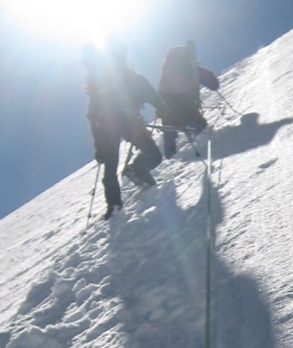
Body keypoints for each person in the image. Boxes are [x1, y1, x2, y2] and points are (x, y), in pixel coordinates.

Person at [82, 37, 168, 218]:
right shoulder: (129, 77)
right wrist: (164, 110)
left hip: (106, 127)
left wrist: (99, 147)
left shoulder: (97, 86)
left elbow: (93, 117)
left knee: (110, 165)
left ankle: (114, 206)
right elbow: (149, 93)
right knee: (153, 155)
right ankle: (137, 170)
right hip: (129, 120)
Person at [157, 40, 220, 158]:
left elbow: (160, 92)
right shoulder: (193, 70)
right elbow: (214, 85)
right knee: (200, 125)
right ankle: (199, 146)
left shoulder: (168, 69)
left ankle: (168, 156)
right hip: (186, 106)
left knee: (169, 128)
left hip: (167, 107)